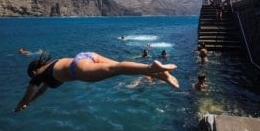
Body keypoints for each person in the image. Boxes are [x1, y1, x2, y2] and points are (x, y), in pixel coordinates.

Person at [14, 52, 179, 112]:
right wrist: (31, 102)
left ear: (34, 71)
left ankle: (152, 68)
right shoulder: (49, 69)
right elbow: (41, 90)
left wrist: (20, 106)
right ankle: (160, 74)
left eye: (32, 76)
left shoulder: (38, 76)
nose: (33, 79)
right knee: (118, 67)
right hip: (86, 56)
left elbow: (27, 95)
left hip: (77, 69)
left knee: (116, 70)